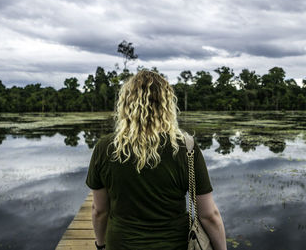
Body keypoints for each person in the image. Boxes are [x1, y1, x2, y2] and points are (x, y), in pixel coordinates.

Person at [86, 70, 226, 250]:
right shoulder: (187, 147)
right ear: (167, 105)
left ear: (126, 104)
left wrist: (100, 244)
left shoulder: (104, 147)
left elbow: (99, 211)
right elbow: (209, 215)